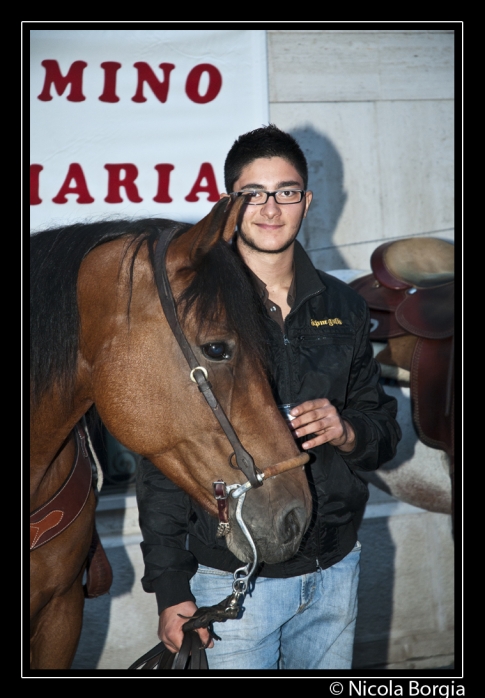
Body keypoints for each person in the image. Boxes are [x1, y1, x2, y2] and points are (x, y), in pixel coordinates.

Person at [136, 124, 401, 670]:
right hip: (232, 579)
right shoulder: (191, 312)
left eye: (286, 191)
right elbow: (161, 461)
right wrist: (170, 589)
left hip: (336, 567)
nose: (271, 208)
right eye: (253, 193)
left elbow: (383, 433)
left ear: (307, 200)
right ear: (230, 204)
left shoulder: (345, 306)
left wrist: (347, 430)